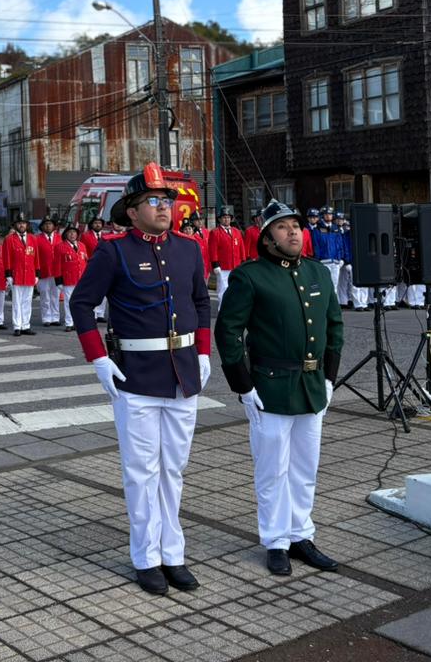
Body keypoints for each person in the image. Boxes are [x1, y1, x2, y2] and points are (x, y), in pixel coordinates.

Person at [69, 162, 211, 596]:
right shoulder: (113, 251)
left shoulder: (188, 248)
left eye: (167, 200)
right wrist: (97, 359)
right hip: (136, 376)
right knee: (141, 471)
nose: (164, 207)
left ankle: (174, 553)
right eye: (154, 200)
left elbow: (202, 303)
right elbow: (81, 304)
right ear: (131, 210)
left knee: (175, 469)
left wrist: (204, 352)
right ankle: (146, 556)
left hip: (183, 373)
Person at [215, 198, 344, 577]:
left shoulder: (318, 273)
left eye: (296, 226)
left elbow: (334, 325)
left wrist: (329, 377)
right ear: (267, 238)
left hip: (311, 386)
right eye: (284, 227)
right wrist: (243, 384)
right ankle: (275, 541)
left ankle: (301, 534)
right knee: (273, 470)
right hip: (269, 388)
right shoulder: (250, 276)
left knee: (306, 468)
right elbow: (228, 331)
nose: (294, 232)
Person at [2, 213, 38, 337]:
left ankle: (26, 325)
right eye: (19, 223)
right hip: (16, 274)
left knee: (27, 301)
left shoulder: (33, 238)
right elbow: (6, 258)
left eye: (23, 223)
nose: (21, 225)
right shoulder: (9, 239)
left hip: (29, 274)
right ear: (15, 225)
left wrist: (37, 273)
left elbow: (36, 257)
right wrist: (8, 274)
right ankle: (17, 326)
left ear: (27, 225)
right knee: (17, 301)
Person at [54, 225, 87, 331]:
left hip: (81, 278)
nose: (72, 234)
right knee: (69, 301)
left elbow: (85, 262)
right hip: (68, 279)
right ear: (66, 234)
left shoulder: (82, 245)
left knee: (81, 302)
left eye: (74, 232)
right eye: (70, 232)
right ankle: (69, 323)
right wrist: (58, 280)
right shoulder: (60, 246)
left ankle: (79, 322)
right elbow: (57, 264)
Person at [35, 215, 62, 326]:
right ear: (42, 226)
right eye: (46, 224)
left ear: (54, 226)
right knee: (45, 295)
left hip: (56, 272)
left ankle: (55, 317)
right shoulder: (37, 239)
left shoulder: (59, 237)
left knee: (55, 295)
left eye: (50, 224)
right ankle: (46, 318)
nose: (48, 226)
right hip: (43, 271)